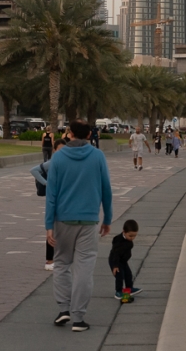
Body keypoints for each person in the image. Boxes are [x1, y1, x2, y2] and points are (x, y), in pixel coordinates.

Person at [45, 120, 113, 333]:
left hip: (62, 220)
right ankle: (78, 318)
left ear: (70, 134)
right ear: (89, 135)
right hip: (89, 220)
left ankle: (63, 308)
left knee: (62, 263)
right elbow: (106, 189)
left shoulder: (58, 157)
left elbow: (51, 194)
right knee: (84, 267)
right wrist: (107, 219)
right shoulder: (97, 156)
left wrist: (48, 225)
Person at [32, 138, 67, 271]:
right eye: (59, 151)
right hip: (53, 199)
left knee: (63, 229)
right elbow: (34, 170)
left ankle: (60, 258)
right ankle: (49, 260)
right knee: (51, 227)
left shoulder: (68, 163)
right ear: (54, 151)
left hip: (65, 200)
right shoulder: (52, 163)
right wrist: (47, 183)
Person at [109, 220, 143, 301]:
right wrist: (115, 265)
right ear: (124, 232)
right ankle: (118, 291)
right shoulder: (118, 240)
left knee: (128, 274)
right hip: (115, 260)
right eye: (130, 236)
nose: (132, 238)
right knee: (119, 275)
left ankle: (129, 288)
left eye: (134, 236)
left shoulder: (129, 241)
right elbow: (116, 254)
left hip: (123, 260)